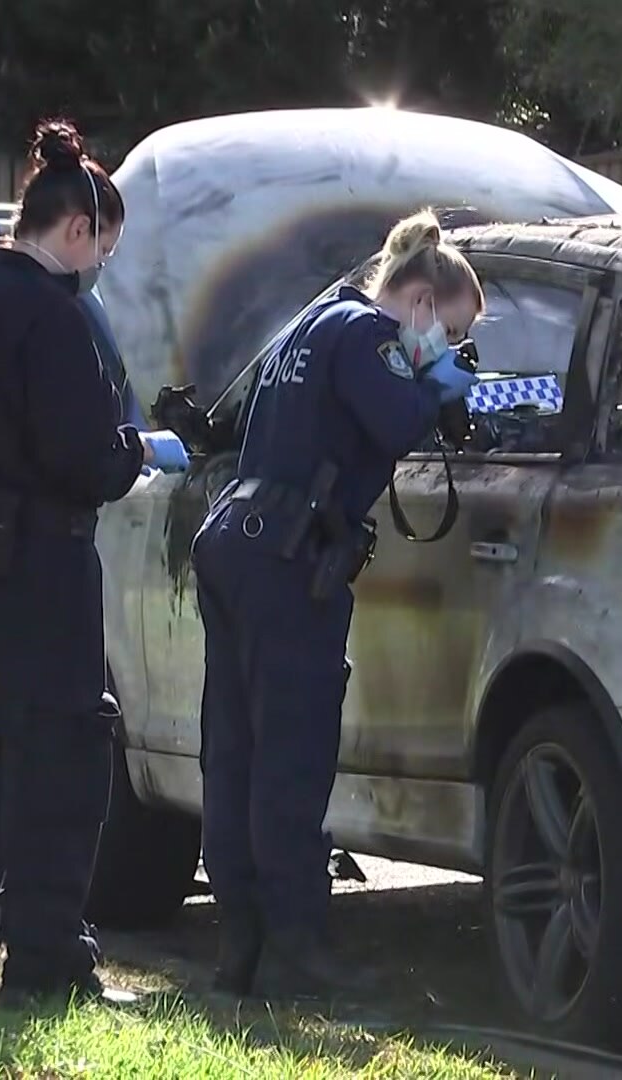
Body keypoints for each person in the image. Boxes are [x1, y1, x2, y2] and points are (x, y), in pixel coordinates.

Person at [0, 117, 192, 1009]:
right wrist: (138, 452)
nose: (100, 263)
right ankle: (46, 962)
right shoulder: (56, 317)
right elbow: (84, 460)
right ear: (77, 232)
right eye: (103, 246)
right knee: (59, 765)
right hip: (39, 566)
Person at [192, 209, 481, 1003]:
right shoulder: (367, 335)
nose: (446, 349)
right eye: (447, 331)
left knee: (237, 753)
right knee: (290, 755)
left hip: (238, 543)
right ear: (420, 301)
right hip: (288, 560)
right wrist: (440, 382)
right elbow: (395, 418)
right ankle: (297, 949)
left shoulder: (311, 322)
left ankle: (240, 946)